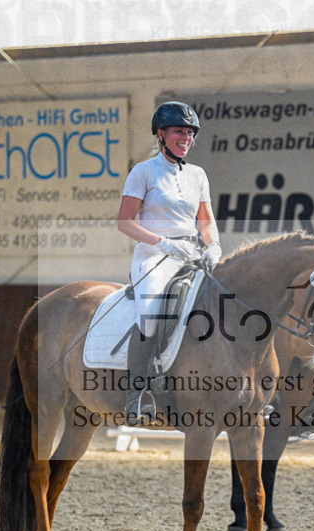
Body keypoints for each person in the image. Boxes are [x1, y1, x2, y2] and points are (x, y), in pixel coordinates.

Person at [117, 101, 221, 425]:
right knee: (151, 313)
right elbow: (124, 221)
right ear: (161, 134)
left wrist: (214, 246)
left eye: (190, 133)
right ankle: (137, 395)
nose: (186, 137)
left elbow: (206, 220)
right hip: (153, 256)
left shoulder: (197, 174)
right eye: (179, 131)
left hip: (191, 255)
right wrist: (162, 243)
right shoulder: (143, 171)